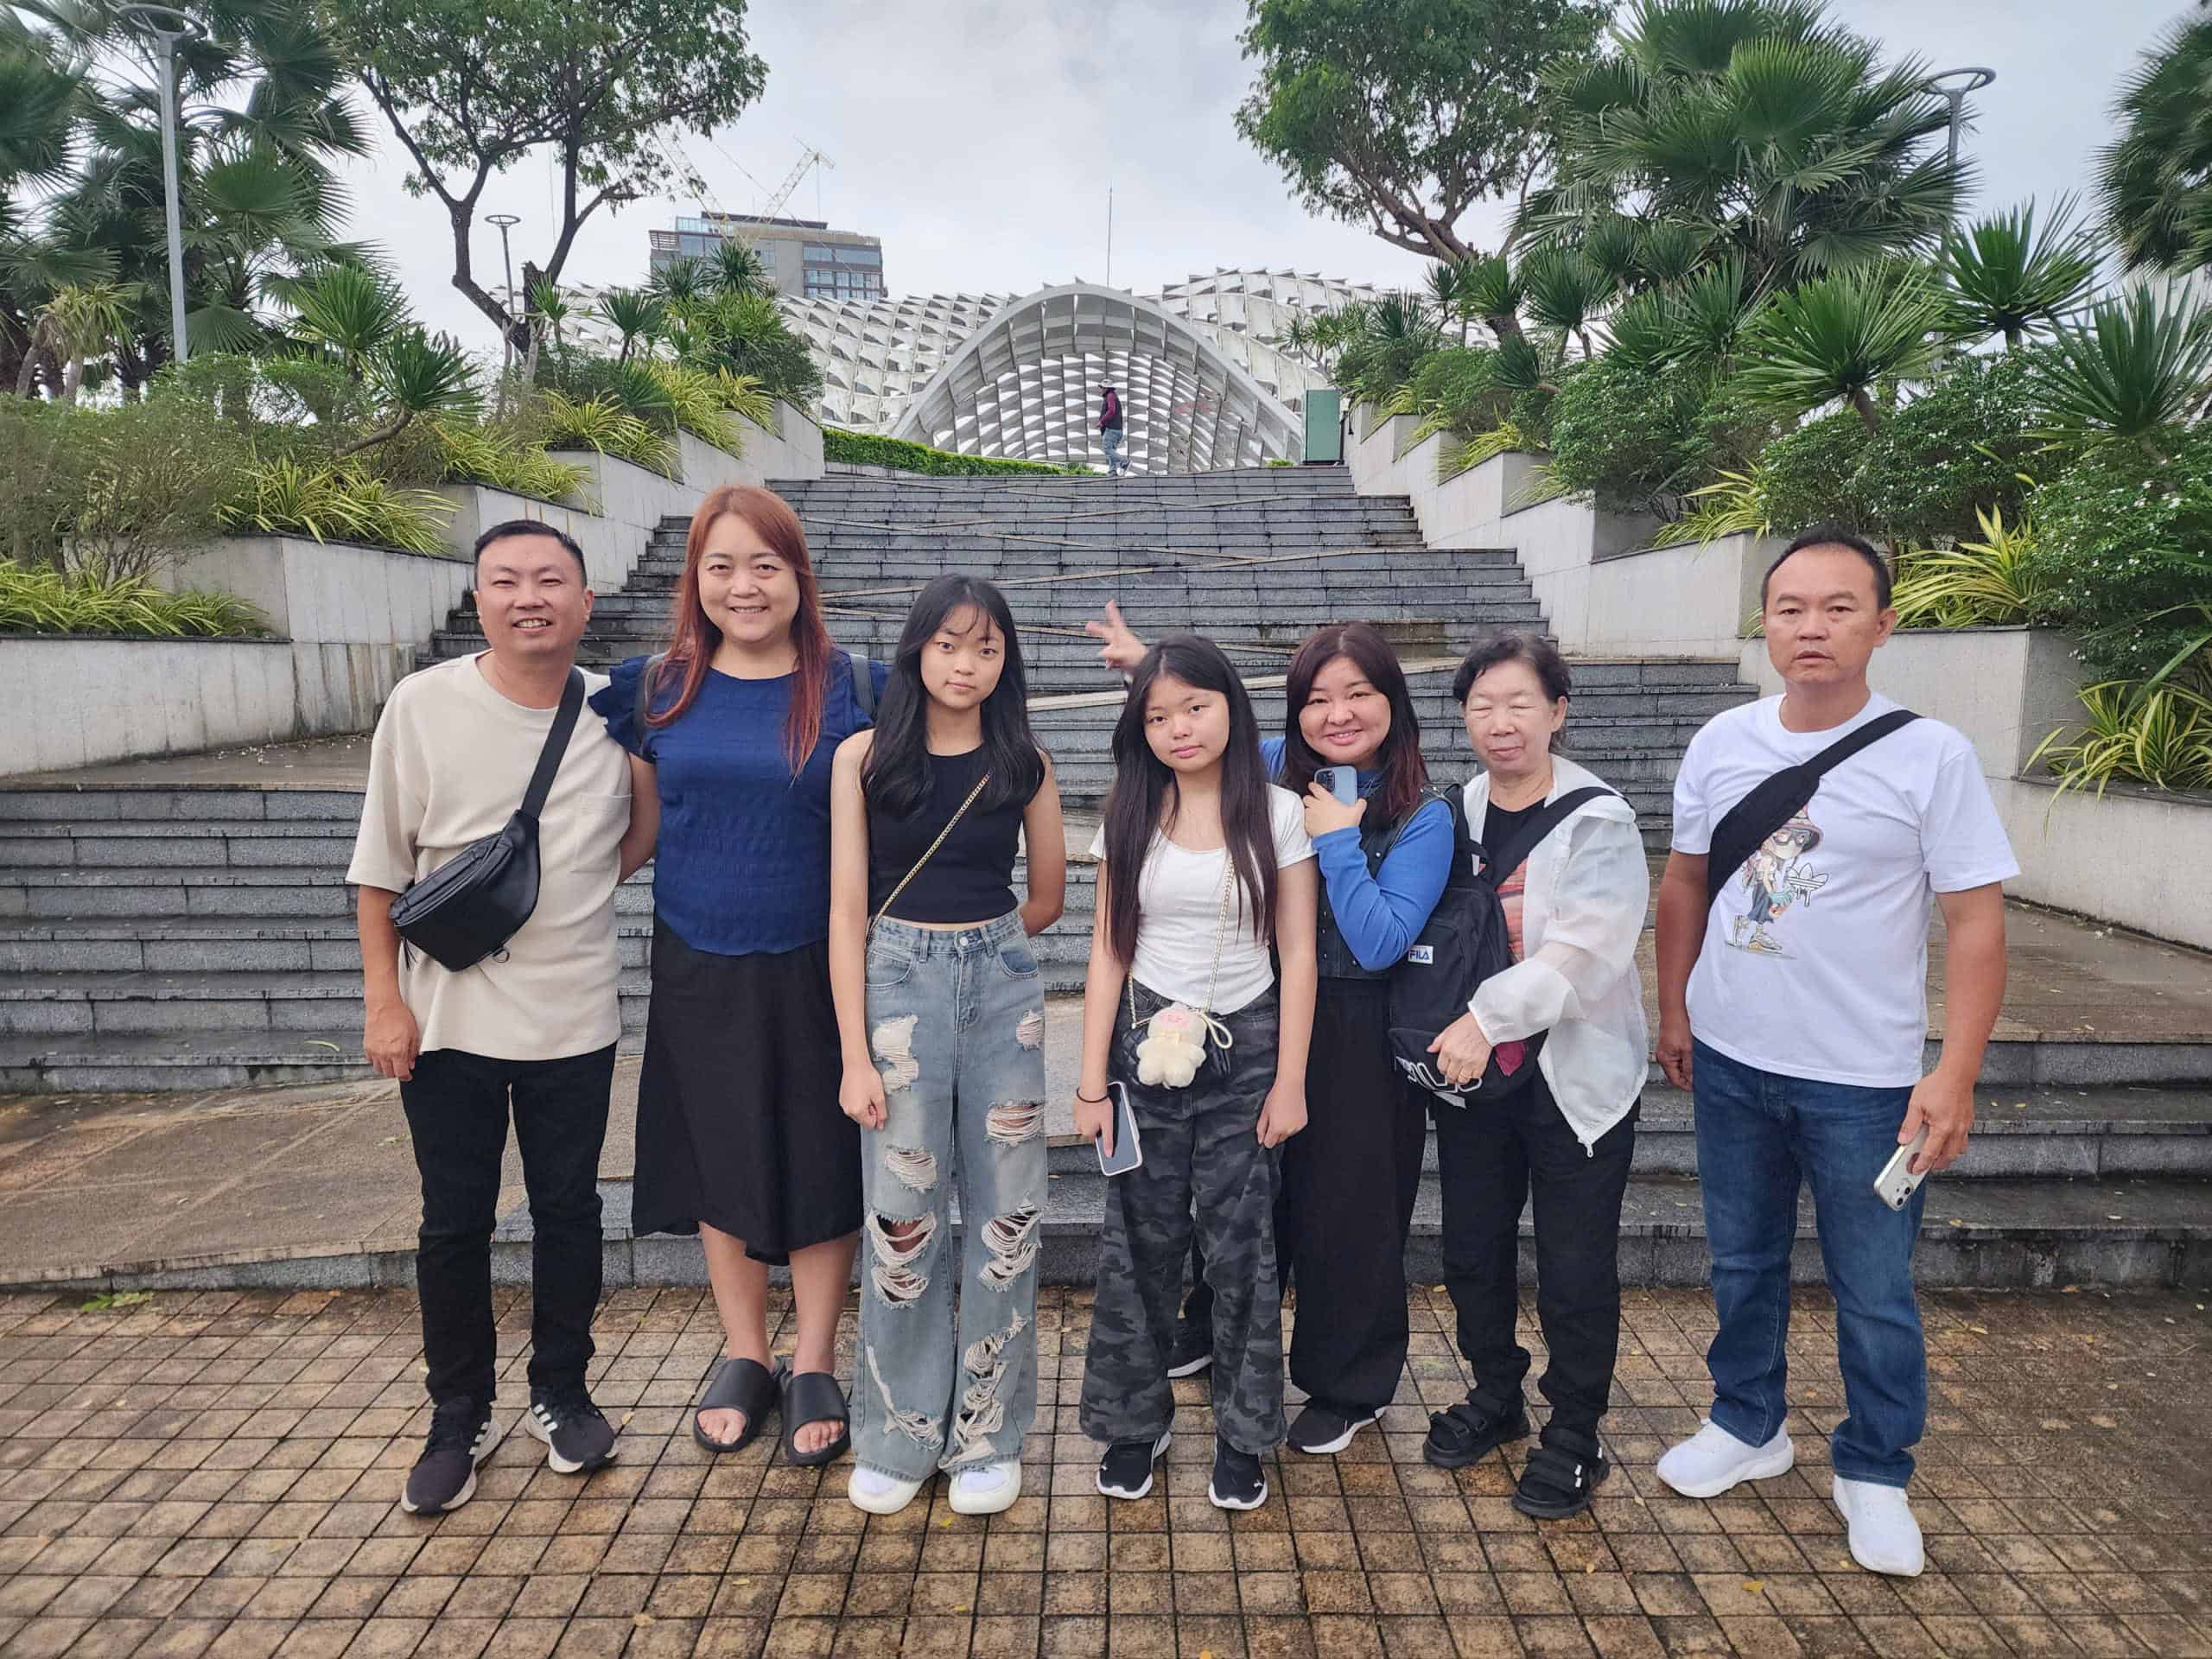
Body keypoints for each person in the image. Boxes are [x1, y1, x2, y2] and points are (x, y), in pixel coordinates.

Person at [1653, 526, 2016, 1577]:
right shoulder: (1721, 741)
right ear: (1765, 625)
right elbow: (1683, 883)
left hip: (1863, 1080)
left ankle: (1874, 1467)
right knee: (1741, 1259)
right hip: (1730, 1059)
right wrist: (1673, 1011)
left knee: (1874, 1287)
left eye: (1838, 607)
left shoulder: (1931, 755)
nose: (1811, 627)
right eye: (1790, 609)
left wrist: (1953, 1073)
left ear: (1882, 624)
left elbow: (1976, 924)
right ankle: (1747, 1422)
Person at [1083, 609, 1456, 1453]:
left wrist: (1339, 843)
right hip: (1259, 1014)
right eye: (1317, 699)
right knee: (1253, 1201)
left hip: (1360, 1026)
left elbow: (1378, 941)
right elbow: (1200, 724)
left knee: (1348, 1206)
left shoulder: (1423, 812)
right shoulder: (1280, 766)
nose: (1338, 714)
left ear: (1393, 701)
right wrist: (1149, 666)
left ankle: (1347, 1383)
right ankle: (1208, 1329)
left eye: (1358, 694)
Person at [352, 520, 647, 1516]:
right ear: (477, 599)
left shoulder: (614, 711)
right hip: (446, 1020)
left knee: (570, 1212)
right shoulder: (424, 704)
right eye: (507, 581)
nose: (531, 598)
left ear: (584, 601)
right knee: (453, 1222)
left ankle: (561, 1392)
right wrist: (384, 1002)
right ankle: (458, 1414)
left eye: (550, 580)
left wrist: (567, 895)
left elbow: (636, 832)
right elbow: (379, 869)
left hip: (573, 1015)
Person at [593, 485, 889, 1469]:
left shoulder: (857, 689)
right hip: (696, 957)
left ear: (799, 577)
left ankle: (815, 1357)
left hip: (819, 963)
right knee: (719, 1154)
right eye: (720, 566)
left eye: (765, 564)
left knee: (819, 1157)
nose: (743, 586)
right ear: (696, 580)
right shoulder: (656, 689)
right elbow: (639, 831)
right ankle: (745, 1351)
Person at [828, 575, 1066, 1517]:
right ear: (917, 649)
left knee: (1010, 1215)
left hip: (1002, 989)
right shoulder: (863, 758)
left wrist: (985, 950)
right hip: (895, 989)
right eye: (949, 645)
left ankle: (988, 1439)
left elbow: (1044, 896)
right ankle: (897, 1435)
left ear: (1007, 662)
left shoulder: (1023, 762)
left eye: (987, 648)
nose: (967, 665)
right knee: (901, 1216)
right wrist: (854, 1054)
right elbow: (846, 911)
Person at [1076, 636, 1319, 1512]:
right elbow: (1108, 952)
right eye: (1157, 716)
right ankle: (1132, 1424)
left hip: (1245, 1047)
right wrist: (1090, 1084)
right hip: (1142, 1048)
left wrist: (1290, 1080)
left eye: (1194, 707)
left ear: (1229, 708)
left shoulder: (1277, 812)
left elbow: (1298, 953)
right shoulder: (1129, 812)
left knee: (1241, 1248)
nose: (1178, 728)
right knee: (1138, 1243)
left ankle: (1244, 1435)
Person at [1419, 632, 1650, 1520]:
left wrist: (1484, 1018)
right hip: (1477, 1082)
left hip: (1571, 1077)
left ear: (1558, 710)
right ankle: (1495, 1392)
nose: (1501, 722)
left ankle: (1576, 1431)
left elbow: (1588, 950)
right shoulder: (1453, 812)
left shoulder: (1599, 818)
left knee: (1574, 1263)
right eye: (1482, 706)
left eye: (1520, 703)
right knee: (1472, 1247)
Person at [1099, 383, 1128, 477]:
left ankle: (1124, 462)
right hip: (1118, 430)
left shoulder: (1110, 396)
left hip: (1112, 429)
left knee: (1107, 449)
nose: (1101, 389)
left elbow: (1111, 411)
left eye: (1102, 387)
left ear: (1107, 388)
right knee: (1112, 451)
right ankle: (1112, 471)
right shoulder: (1114, 396)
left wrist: (1102, 421)